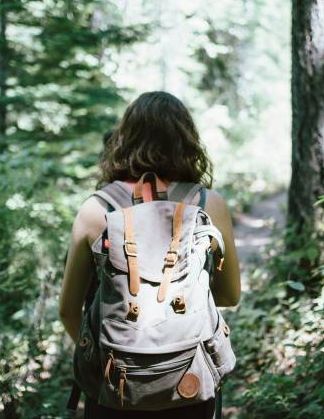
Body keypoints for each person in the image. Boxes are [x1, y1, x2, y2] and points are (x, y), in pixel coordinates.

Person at [58, 91, 241, 418]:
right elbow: (228, 295)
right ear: (186, 140)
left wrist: (107, 356)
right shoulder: (208, 204)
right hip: (190, 383)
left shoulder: (95, 209)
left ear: (124, 139)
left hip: (115, 387)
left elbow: (68, 311)